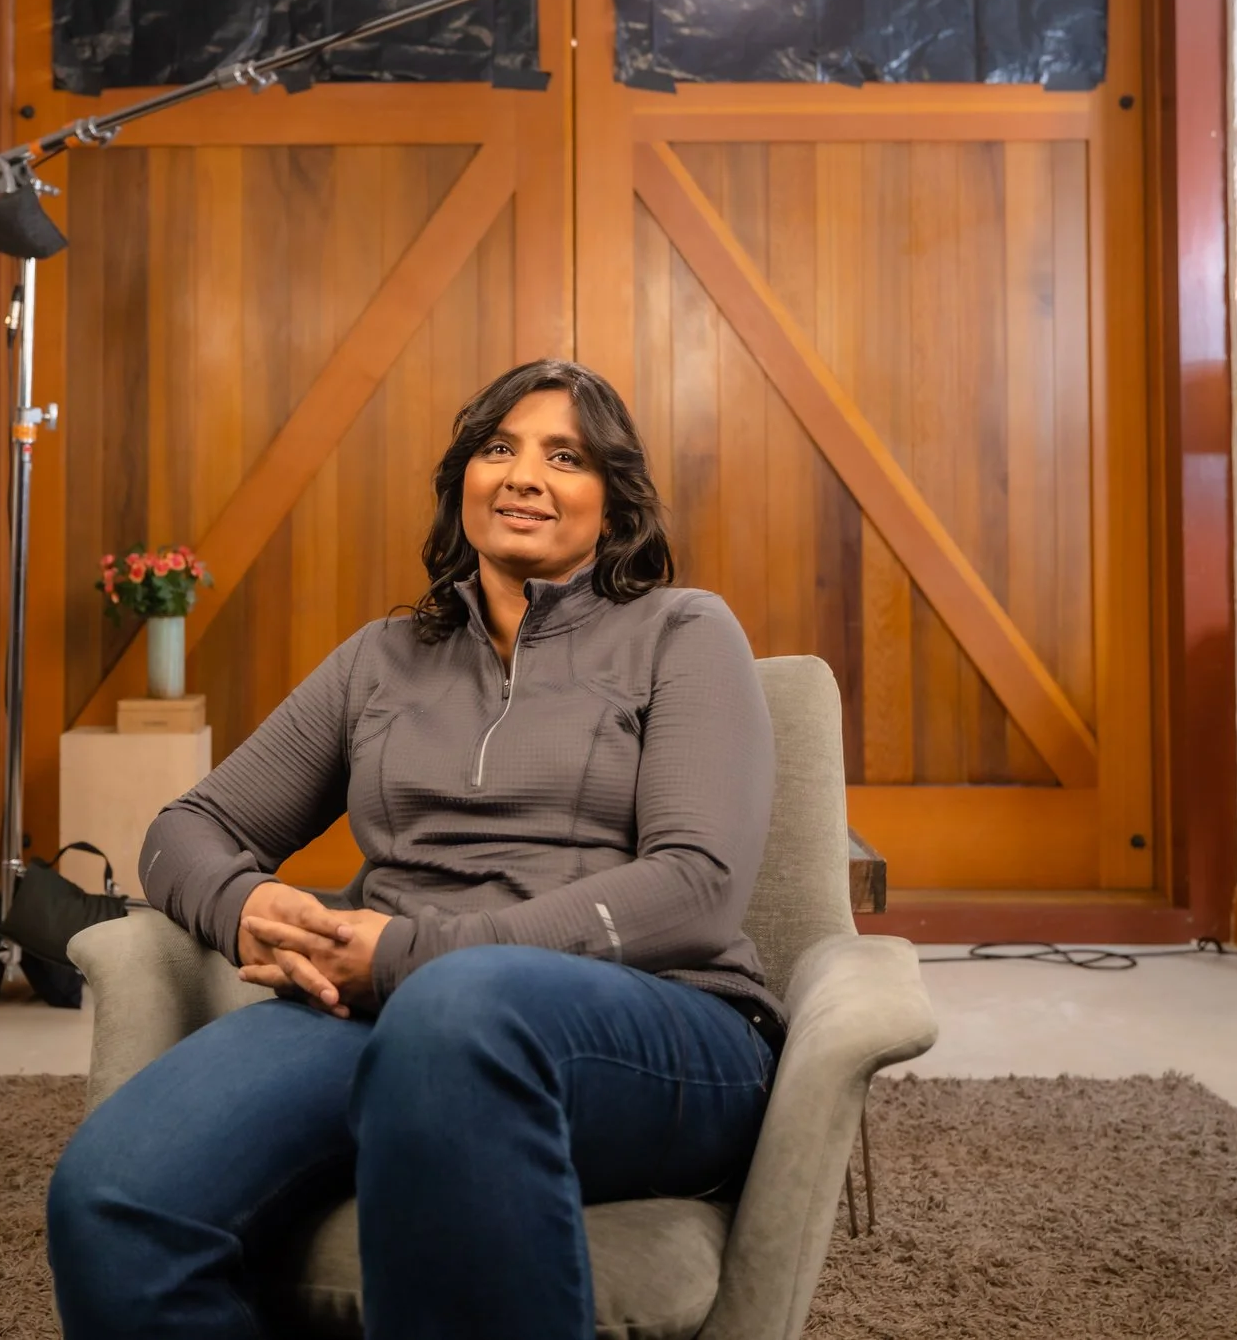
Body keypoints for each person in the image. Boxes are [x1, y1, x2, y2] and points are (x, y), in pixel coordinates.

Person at [46, 359, 781, 1340]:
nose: (522, 474)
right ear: (461, 484)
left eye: (563, 456)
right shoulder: (381, 659)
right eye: (497, 448)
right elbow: (186, 828)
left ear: (612, 508)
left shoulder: (680, 632)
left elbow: (697, 887)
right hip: (376, 1009)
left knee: (457, 1006)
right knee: (112, 1197)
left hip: (659, 1027)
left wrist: (408, 956)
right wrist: (244, 905)